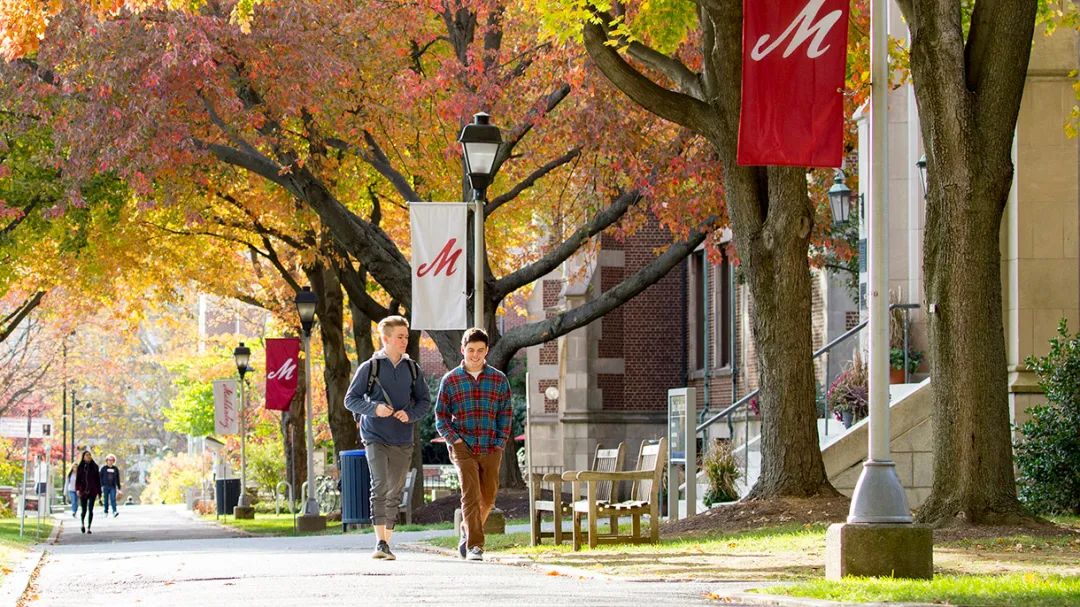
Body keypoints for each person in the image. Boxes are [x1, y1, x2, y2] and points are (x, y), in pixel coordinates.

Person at [344, 315, 430, 561]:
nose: (405, 341)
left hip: (403, 437)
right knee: (379, 485)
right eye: (400, 337)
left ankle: (387, 542)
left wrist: (410, 414)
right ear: (386, 338)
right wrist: (375, 409)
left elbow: (424, 401)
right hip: (375, 435)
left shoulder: (412, 368)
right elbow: (350, 399)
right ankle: (380, 542)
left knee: (394, 490)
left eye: (406, 336)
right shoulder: (370, 367)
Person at [434, 328, 512, 562]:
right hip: (463, 447)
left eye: (480, 350)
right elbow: (441, 417)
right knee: (470, 495)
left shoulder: (498, 379)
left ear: (486, 350)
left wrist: (499, 443)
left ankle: (466, 531)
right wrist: (455, 440)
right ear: (462, 350)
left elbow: (505, 414)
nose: (475, 355)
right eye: (470, 350)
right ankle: (475, 546)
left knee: (488, 498)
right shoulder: (451, 380)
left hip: (491, 446)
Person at [75, 450, 101, 534]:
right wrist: (78, 489)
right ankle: (82, 524)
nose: (88, 456)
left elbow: (98, 480)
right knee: (84, 510)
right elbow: (78, 479)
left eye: (89, 455)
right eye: (86, 455)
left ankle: (89, 527)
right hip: (83, 491)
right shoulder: (80, 467)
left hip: (93, 490)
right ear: (83, 457)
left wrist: (99, 492)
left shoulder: (95, 466)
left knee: (91, 509)